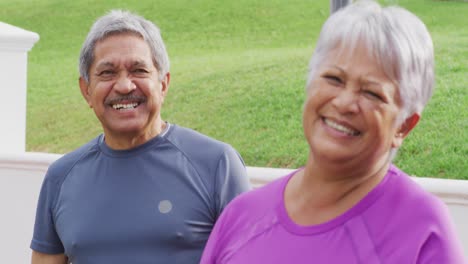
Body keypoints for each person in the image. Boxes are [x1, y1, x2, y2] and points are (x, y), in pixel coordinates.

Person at [201, 1, 466, 263]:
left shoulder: (422, 230)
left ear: (403, 126)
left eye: (372, 93)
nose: (344, 103)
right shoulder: (241, 215)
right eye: (333, 79)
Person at [30, 10, 250, 264]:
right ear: (86, 90)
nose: (124, 86)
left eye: (139, 70)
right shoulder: (61, 177)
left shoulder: (216, 165)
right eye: (107, 73)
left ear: (163, 84)